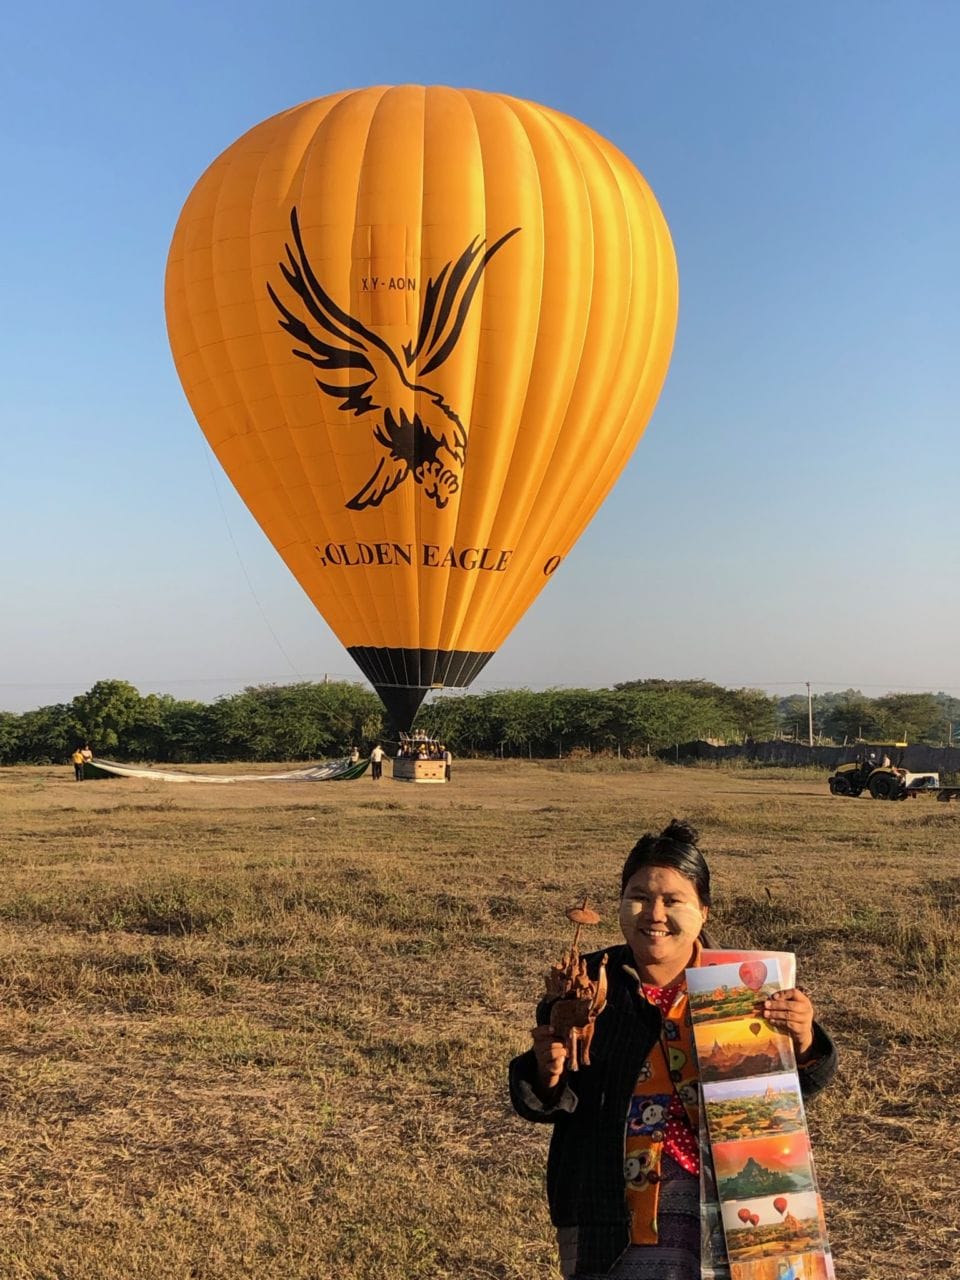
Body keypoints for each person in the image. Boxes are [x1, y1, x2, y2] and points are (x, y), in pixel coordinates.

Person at [508, 819, 837, 1280]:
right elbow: (551, 1096)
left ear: (704, 910)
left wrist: (802, 1038)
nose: (654, 914)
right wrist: (546, 1071)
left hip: (729, 1197)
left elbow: (784, 1094)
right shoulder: (583, 984)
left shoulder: (747, 986)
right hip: (612, 1205)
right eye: (638, 897)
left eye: (673, 900)